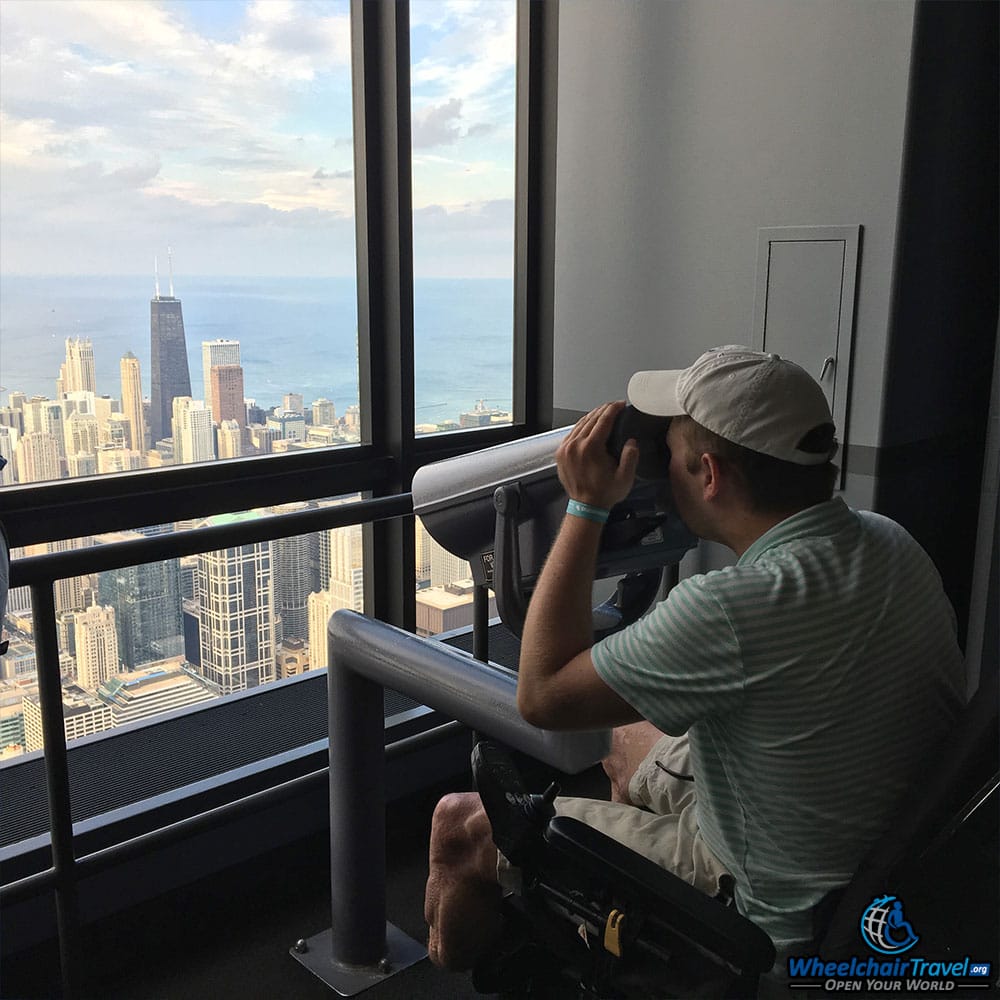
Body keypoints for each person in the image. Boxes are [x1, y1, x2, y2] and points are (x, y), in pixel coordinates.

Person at [424, 345, 965, 980]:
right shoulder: (890, 540)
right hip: (877, 871)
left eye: (671, 453)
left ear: (709, 475)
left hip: (768, 920)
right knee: (624, 735)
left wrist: (586, 507)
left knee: (457, 825)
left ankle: (468, 963)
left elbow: (541, 694)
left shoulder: (730, 609)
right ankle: (589, 910)